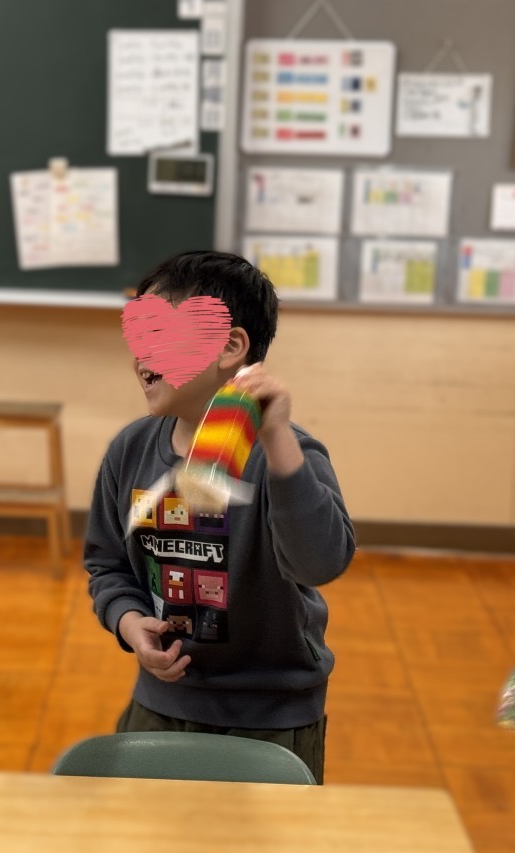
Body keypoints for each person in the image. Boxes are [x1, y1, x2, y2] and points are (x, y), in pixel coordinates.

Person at [85, 250, 355, 783]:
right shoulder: (129, 451)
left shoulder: (287, 453)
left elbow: (321, 562)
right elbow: (107, 566)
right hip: (162, 701)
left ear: (229, 347)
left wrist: (277, 437)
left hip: (273, 716)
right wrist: (128, 622)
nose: (140, 356)